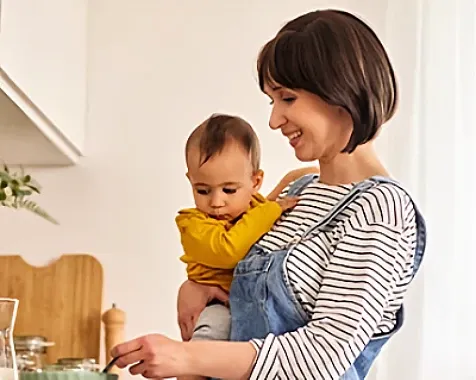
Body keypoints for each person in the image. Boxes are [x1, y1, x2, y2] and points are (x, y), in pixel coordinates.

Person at [111, 8, 427, 380]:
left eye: (287, 99)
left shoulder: (381, 210)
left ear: (341, 92)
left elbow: (322, 358)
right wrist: (194, 285)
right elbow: (233, 266)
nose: (274, 120)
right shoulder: (296, 188)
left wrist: (186, 358)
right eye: (271, 101)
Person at [176, 113, 308, 380]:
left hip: (254, 309)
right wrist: (270, 211)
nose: (215, 202)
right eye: (202, 190)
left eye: (229, 190)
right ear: (190, 180)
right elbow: (229, 250)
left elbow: (308, 175)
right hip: (219, 303)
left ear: (255, 182)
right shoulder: (192, 223)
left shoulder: (258, 208)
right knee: (208, 338)